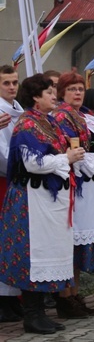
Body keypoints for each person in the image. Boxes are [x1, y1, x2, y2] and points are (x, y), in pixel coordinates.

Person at [0, 74, 84, 334]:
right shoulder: (27, 124)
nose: (54, 96)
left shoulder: (48, 122)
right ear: (36, 97)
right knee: (32, 255)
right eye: (49, 92)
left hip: (47, 199)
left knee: (45, 253)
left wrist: (72, 157)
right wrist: (66, 158)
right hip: (30, 200)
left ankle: (39, 313)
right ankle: (32, 315)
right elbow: (32, 164)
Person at [52, 71, 94, 318]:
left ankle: (73, 294)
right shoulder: (62, 116)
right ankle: (64, 299)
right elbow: (68, 148)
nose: (77, 93)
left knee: (77, 246)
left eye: (80, 89)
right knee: (70, 242)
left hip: (85, 185)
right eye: (72, 89)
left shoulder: (80, 115)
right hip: (70, 183)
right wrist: (93, 162)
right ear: (62, 93)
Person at [0, 65, 22, 323]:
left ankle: (13, 299)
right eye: (6, 83)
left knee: (13, 240)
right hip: (6, 179)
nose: (12, 87)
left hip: (17, 182)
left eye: (15, 82)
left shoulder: (19, 110)